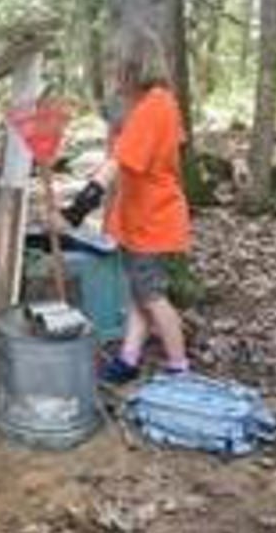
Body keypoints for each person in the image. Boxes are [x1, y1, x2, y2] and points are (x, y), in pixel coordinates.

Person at [60, 24, 191, 384]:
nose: (110, 73)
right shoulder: (153, 105)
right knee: (139, 294)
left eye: (114, 65)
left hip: (154, 219)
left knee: (152, 296)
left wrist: (78, 208)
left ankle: (179, 366)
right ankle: (128, 359)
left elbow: (118, 164)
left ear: (134, 66)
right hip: (143, 218)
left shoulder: (155, 106)